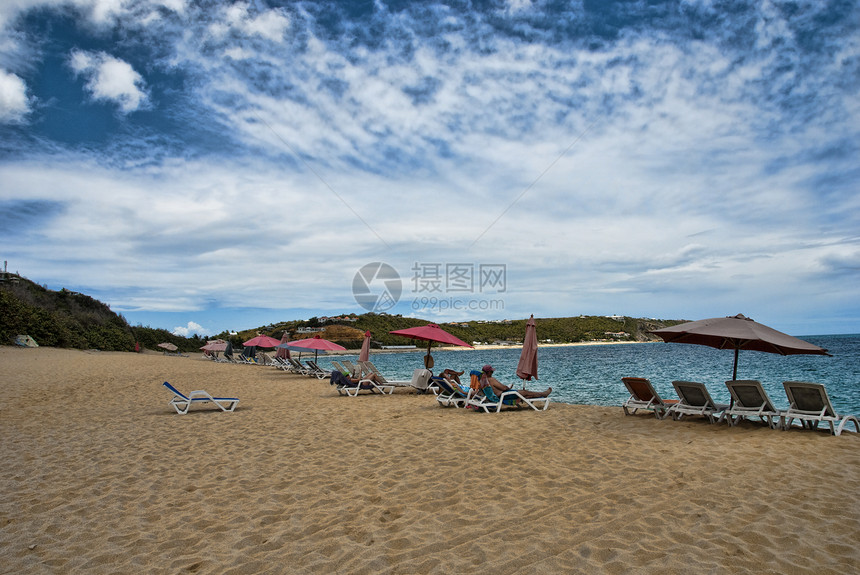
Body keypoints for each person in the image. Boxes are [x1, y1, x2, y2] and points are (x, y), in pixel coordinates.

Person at [479, 364, 551, 399]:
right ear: (488, 372)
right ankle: (543, 394)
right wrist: (508, 387)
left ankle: (537, 395)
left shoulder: (482, 380)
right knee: (525, 392)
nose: (492, 373)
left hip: (496, 396)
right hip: (503, 396)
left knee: (524, 394)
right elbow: (503, 388)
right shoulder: (491, 379)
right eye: (491, 371)